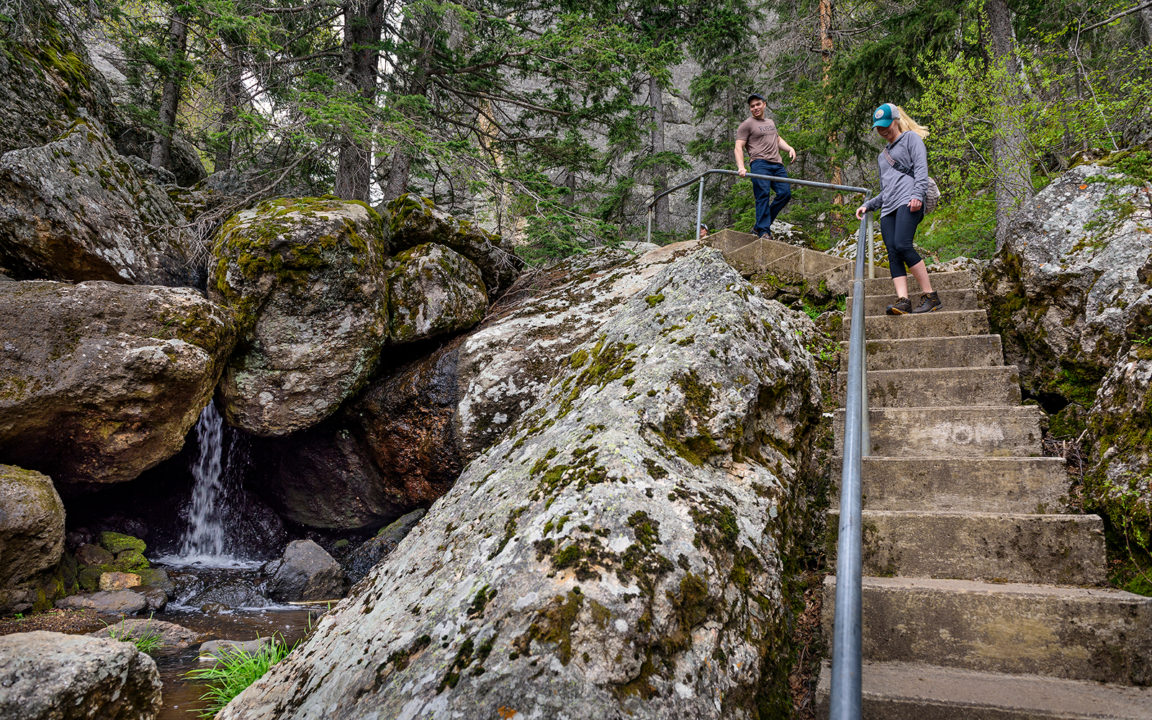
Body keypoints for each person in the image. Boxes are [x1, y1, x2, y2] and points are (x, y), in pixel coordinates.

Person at [854, 103, 942, 314]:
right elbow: (886, 190)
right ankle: (903, 300)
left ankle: (930, 296)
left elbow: (921, 169)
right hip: (888, 209)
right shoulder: (882, 156)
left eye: (886, 125)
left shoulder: (911, 139)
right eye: (878, 127)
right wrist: (869, 204)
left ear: (896, 120)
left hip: (909, 201)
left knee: (903, 245)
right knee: (893, 252)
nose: (883, 130)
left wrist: (917, 195)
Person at [735, 93, 796, 240]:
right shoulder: (747, 125)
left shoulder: (770, 122)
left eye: (758, 104)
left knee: (785, 193)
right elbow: (738, 146)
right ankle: (763, 231)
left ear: (764, 104)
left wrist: (789, 148)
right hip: (759, 163)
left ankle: (759, 226)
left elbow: (777, 138)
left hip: (777, 164)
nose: (755, 108)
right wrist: (741, 167)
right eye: (752, 106)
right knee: (762, 195)